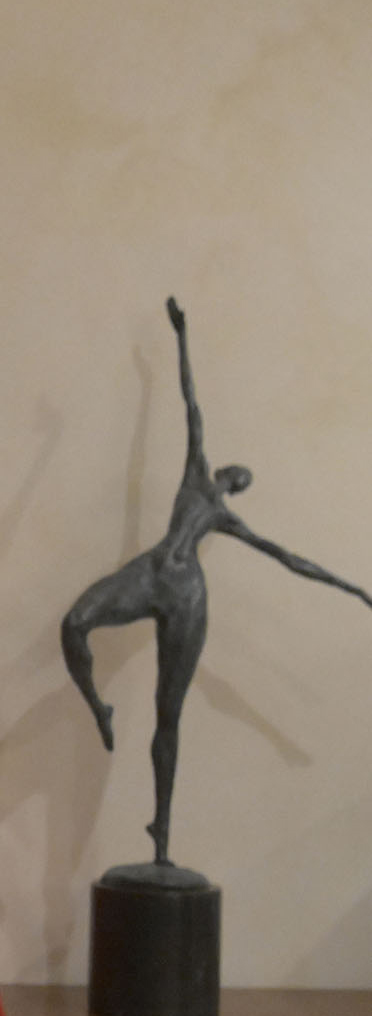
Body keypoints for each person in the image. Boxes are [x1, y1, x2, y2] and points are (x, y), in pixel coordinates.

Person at [61, 298, 372, 869]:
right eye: (237, 473)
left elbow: (288, 558)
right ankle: (100, 708)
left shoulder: (227, 519)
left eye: (240, 481)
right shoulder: (194, 470)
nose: (235, 478)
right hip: (153, 571)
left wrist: (352, 588)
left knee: (168, 711)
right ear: (224, 470)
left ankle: (161, 832)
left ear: (236, 490)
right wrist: (182, 335)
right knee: (74, 623)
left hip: (187, 596)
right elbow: (191, 401)